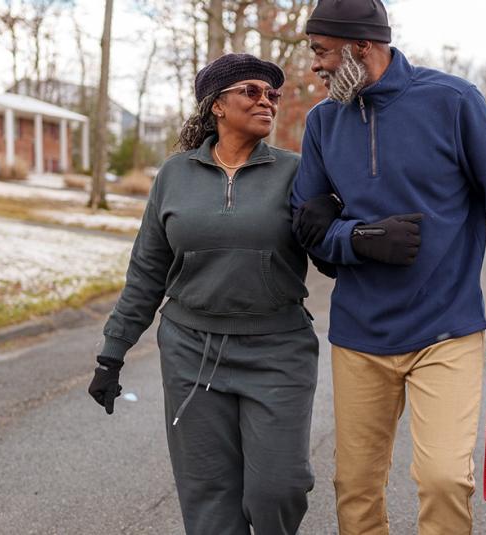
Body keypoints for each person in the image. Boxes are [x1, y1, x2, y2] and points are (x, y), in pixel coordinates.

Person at [291, 1, 486, 534]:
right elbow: (307, 226)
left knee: (444, 480)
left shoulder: (452, 102)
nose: (315, 65)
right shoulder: (322, 122)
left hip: (445, 332)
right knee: (355, 487)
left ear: (362, 45)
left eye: (321, 51)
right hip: (359, 336)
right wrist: (359, 239)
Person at [87, 53, 320, 535]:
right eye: (252, 92)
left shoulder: (296, 172)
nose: (267, 102)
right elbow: (148, 270)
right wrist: (113, 353)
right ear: (217, 105)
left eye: (273, 95)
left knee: (278, 488)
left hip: (278, 349)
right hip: (192, 350)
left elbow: (331, 251)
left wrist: (356, 236)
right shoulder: (175, 175)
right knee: (208, 495)